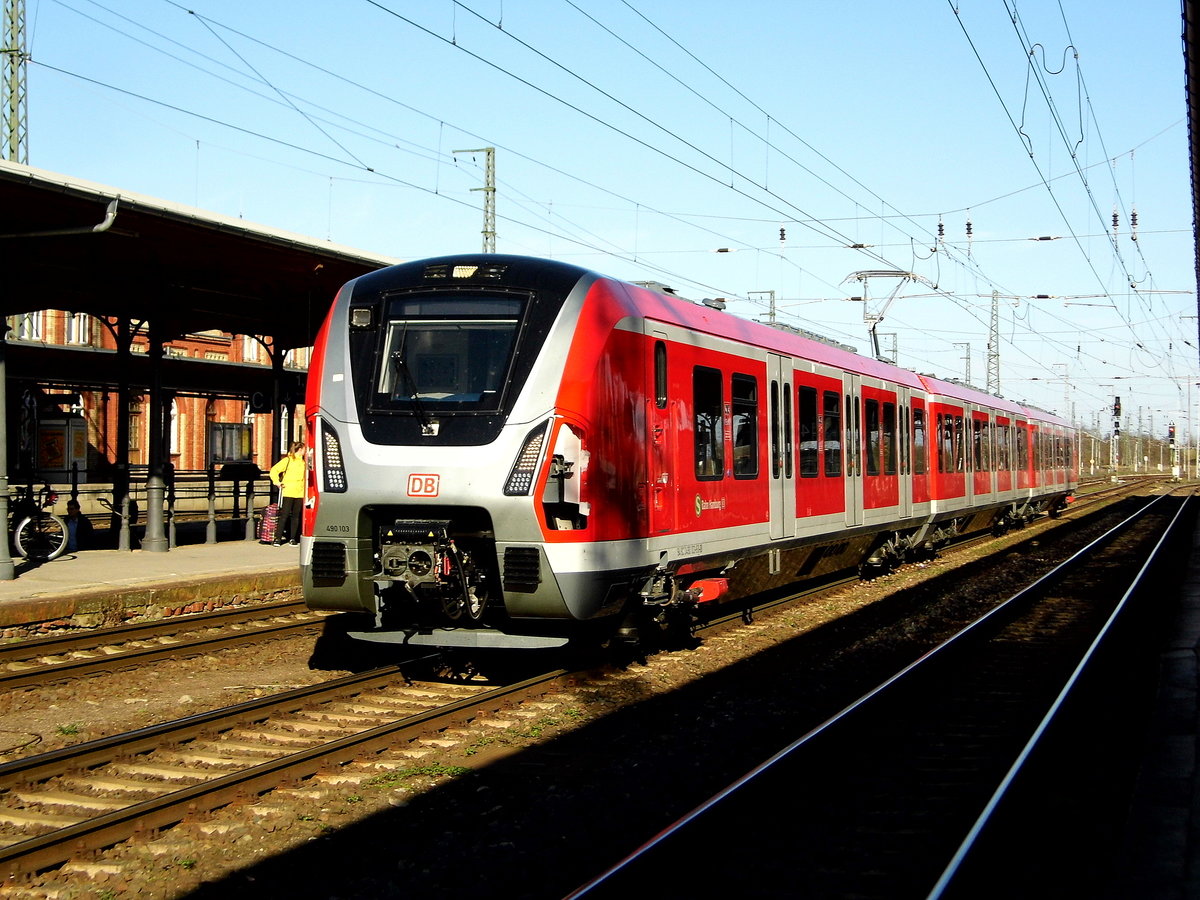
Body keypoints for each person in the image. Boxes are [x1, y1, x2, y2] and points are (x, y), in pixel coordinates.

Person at [269, 441, 307, 546]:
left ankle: (292, 538)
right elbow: (274, 470)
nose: (305, 451)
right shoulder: (288, 460)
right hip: (288, 491)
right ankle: (278, 538)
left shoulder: (304, 462)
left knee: (296, 516)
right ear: (300, 450)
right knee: (284, 515)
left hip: (300, 492)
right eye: (304, 449)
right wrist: (277, 482)